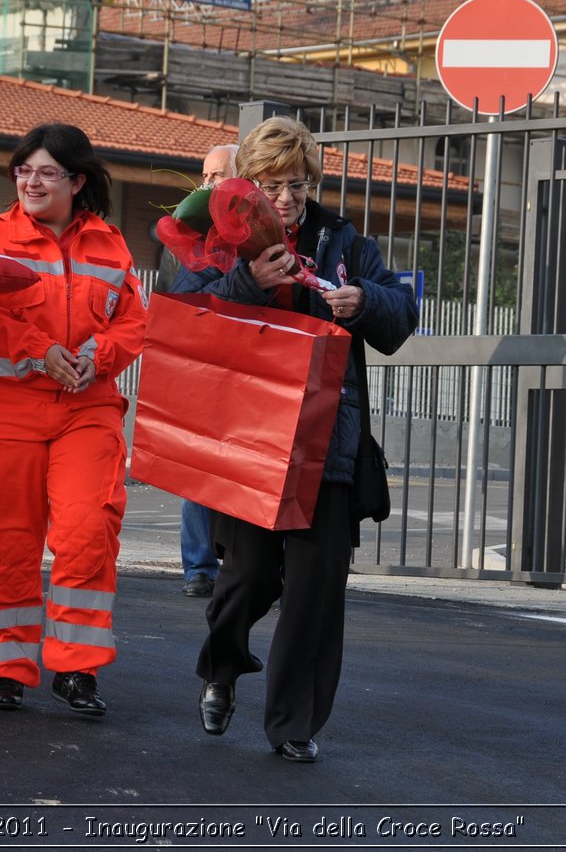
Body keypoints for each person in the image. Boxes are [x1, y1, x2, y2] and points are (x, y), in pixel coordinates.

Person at [172, 115, 417, 763]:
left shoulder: (342, 240)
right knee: (249, 572)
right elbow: (188, 315)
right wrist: (246, 283)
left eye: (299, 184)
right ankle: (220, 668)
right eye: (274, 184)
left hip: (326, 441)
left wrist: (363, 299)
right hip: (251, 436)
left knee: (316, 586)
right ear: (250, 183)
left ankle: (293, 724)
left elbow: (400, 314)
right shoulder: (223, 237)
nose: (286, 198)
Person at [0, 123, 147, 716]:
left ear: (77, 180)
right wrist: (37, 351)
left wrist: (96, 357)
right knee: (5, 541)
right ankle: (6, 667)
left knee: (88, 533)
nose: (31, 182)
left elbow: (133, 322)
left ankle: (76, 668)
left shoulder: (109, 244)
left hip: (85, 409)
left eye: (47, 172)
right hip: (1, 411)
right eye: (23, 171)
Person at [178, 142, 238, 599]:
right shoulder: (186, 232)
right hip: (201, 363)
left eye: (216, 175)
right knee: (198, 468)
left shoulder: (263, 229)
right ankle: (199, 567)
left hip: (249, 366)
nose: (206, 185)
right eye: (204, 175)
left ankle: (241, 564)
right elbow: (180, 294)